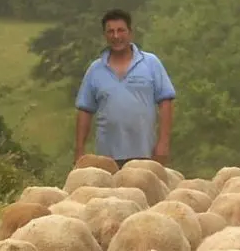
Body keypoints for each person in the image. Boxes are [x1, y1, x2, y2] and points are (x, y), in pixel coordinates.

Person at [74, 9, 174, 166]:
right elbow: (85, 110)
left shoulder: (150, 63)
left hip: (146, 154)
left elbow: (166, 102)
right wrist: (79, 150)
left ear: (130, 33)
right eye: (110, 32)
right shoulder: (95, 69)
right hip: (107, 158)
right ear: (105, 35)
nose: (116, 36)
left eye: (121, 30)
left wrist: (163, 143)